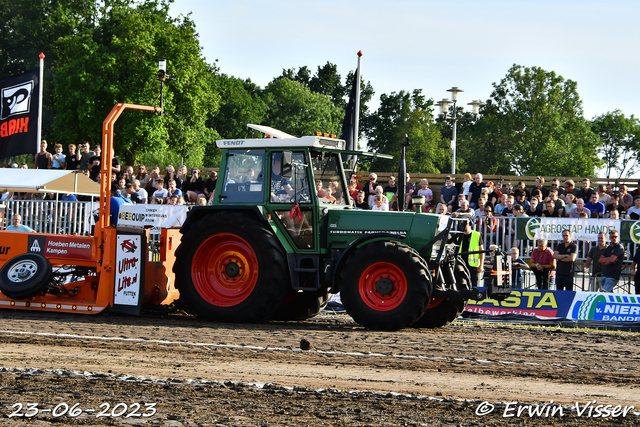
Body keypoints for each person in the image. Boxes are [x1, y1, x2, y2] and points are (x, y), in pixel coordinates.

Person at [449, 219, 484, 287]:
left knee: (474, 283)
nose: (463, 226)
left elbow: (481, 251)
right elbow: (451, 245)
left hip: (472, 264)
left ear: (470, 224)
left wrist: (481, 265)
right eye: (462, 224)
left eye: (465, 224)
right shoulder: (459, 235)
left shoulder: (476, 235)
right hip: (461, 263)